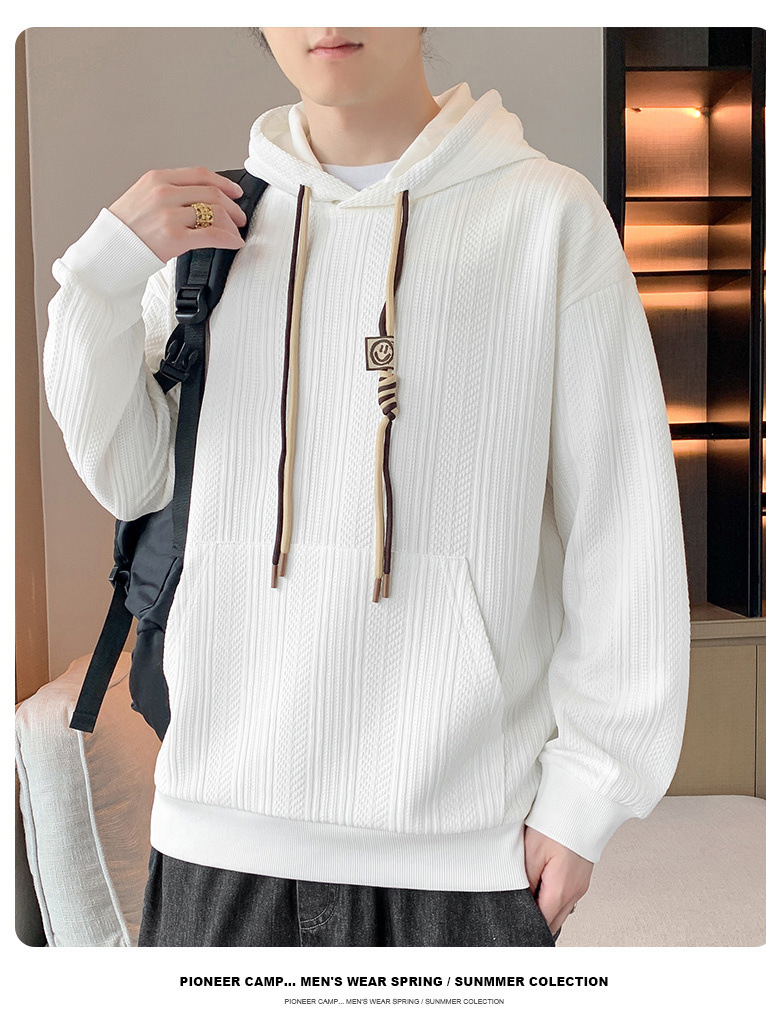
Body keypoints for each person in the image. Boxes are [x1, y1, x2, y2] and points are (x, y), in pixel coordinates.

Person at [42, 27, 690, 947]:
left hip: (461, 858)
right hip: (216, 843)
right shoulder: (210, 230)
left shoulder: (547, 217)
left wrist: (587, 799)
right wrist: (100, 277)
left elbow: (623, 526)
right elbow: (133, 475)